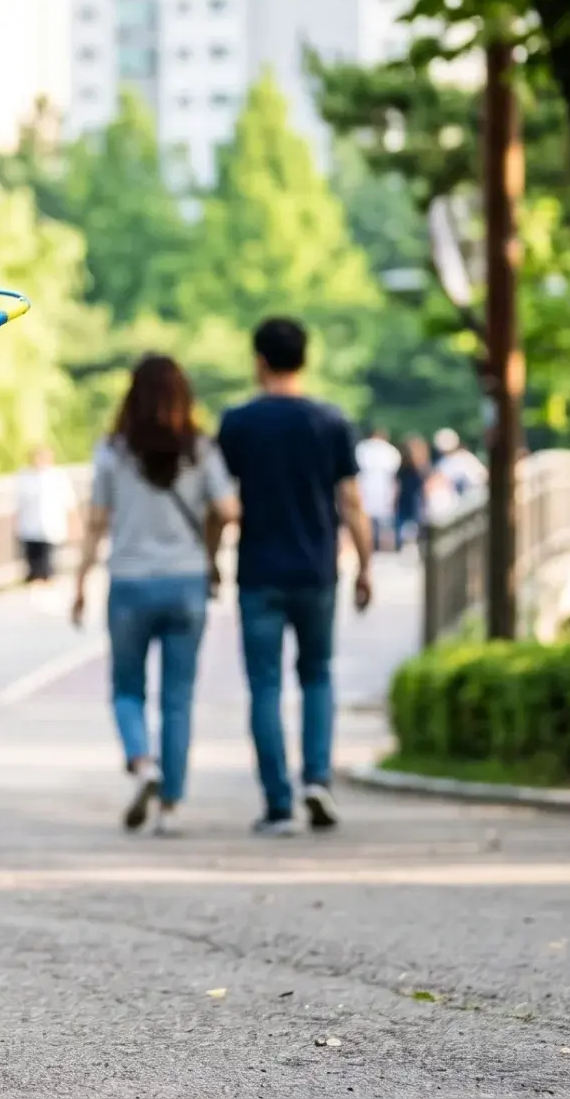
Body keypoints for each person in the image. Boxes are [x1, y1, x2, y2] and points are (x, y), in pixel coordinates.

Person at [69, 356, 239, 836]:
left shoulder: (113, 450)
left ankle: (143, 762)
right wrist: (209, 549)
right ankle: (170, 808)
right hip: (186, 582)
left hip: (129, 582)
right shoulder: (200, 449)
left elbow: (96, 523)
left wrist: (80, 583)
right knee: (177, 698)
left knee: (127, 688)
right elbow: (229, 509)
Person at [216, 318, 372, 837]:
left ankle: (278, 804)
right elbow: (351, 501)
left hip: (258, 571)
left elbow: (220, 502)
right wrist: (366, 565)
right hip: (317, 569)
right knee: (317, 675)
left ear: (259, 360)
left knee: (264, 685)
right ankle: (317, 779)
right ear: (304, 359)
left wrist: (211, 557)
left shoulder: (238, 423)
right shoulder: (331, 421)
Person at [14, 446, 76, 584]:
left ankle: (46, 587)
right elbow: (18, 504)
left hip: (51, 528)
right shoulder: (25, 477)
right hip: (30, 529)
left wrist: (73, 526)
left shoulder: (58, 477)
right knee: (33, 567)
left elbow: (69, 503)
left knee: (48, 566)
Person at [354, 427, 402, 552]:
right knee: (385, 521)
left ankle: (368, 545)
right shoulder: (390, 450)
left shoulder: (362, 448)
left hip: (366, 487)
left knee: (366, 519)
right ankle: (386, 547)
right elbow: (394, 476)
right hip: (383, 488)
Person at [393, 435, 430, 549]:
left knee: (415, 520)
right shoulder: (405, 465)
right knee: (406, 520)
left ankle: (415, 543)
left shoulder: (420, 465)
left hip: (413, 496)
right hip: (407, 496)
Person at [431, 427, 488, 500]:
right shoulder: (441, 464)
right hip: (456, 502)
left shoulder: (465, 457)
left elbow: (481, 477)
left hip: (474, 497)